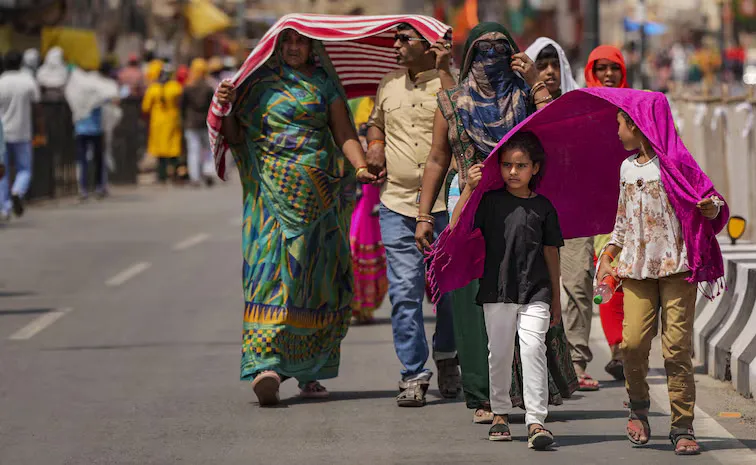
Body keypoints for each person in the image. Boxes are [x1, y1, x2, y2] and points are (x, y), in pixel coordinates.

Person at [415, 24, 569, 423]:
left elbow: (556, 128)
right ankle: (482, 396)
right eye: (482, 50)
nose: (491, 58)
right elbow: (436, 158)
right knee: (471, 302)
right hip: (465, 204)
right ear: (468, 57)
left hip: (522, 212)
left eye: (500, 50)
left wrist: (534, 80)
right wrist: (422, 215)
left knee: (525, 294)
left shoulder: (523, 96)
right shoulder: (451, 102)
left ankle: (525, 392)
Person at [214, 29, 375, 406]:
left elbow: (344, 134)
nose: (293, 48)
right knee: (269, 276)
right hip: (269, 199)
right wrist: (226, 106)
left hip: (319, 199)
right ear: (273, 47)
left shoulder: (323, 85)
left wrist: (361, 166)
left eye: (300, 42)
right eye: (286, 42)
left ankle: (309, 370)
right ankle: (265, 365)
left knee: (314, 281)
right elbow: (237, 137)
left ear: (313, 47)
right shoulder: (255, 87)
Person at [596, 99, 729, 456]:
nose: (618, 131)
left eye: (621, 124)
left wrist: (710, 207)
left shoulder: (677, 164)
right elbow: (622, 222)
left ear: (637, 125)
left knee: (676, 348)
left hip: (678, 267)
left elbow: (711, 199)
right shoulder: (627, 169)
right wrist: (608, 256)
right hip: (637, 270)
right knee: (634, 344)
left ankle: (682, 425)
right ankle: (639, 407)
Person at [366, 23, 460, 407]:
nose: (396, 45)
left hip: (446, 206)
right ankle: (413, 373)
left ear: (428, 45)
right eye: (395, 39)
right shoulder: (387, 85)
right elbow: (376, 122)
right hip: (397, 204)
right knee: (405, 293)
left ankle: (449, 356)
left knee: (449, 293)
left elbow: (463, 120)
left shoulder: (449, 83)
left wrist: (445, 70)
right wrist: (374, 143)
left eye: (405, 40)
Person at [450, 132, 562, 450]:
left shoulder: (544, 207)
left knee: (532, 350)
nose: (512, 172)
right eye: (507, 165)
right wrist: (470, 187)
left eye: (521, 165)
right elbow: (457, 226)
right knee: (498, 354)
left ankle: (536, 420)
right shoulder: (489, 201)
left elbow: (552, 253)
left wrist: (555, 296)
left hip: (536, 290)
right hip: (496, 290)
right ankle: (499, 413)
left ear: (535, 169)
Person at [525, 38, 599, 391]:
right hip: (530, 212)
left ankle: (577, 361)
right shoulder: (520, 105)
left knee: (578, 283)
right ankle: (540, 363)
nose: (550, 72)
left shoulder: (580, 104)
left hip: (573, 210)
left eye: (555, 64)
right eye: (542, 65)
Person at [584, 45, 629, 381]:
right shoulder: (582, 107)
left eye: (614, 68)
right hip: (601, 207)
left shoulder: (637, 105)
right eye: (601, 69)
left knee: (635, 279)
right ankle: (618, 349)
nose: (608, 75)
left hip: (638, 204)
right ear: (591, 71)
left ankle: (630, 345)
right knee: (607, 275)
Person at [351, 104, 388, 325]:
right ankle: (357, 303)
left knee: (368, 241)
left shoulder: (384, 100)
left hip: (373, 185)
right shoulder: (353, 103)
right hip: (351, 181)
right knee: (355, 242)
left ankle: (364, 303)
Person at [0, 50, 40, 220]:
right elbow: (38, 109)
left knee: (3, 172)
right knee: (24, 169)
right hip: (22, 132)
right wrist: (41, 130)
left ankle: (4, 207)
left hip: (2, 134)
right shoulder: (28, 81)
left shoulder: (1, 82)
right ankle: (18, 191)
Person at [142, 63, 183, 183]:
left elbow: (145, 107)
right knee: (173, 149)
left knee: (160, 150)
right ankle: (175, 174)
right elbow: (180, 102)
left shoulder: (153, 89)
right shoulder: (175, 87)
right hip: (172, 121)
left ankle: (162, 176)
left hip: (157, 123)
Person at [181, 58, 215, 187]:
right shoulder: (208, 87)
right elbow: (213, 106)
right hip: (205, 123)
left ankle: (195, 177)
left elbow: (182, 107)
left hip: (190, 123)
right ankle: (208, 172)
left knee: (193, 150)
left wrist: (184, 120)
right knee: (208, 149)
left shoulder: (187, 87)